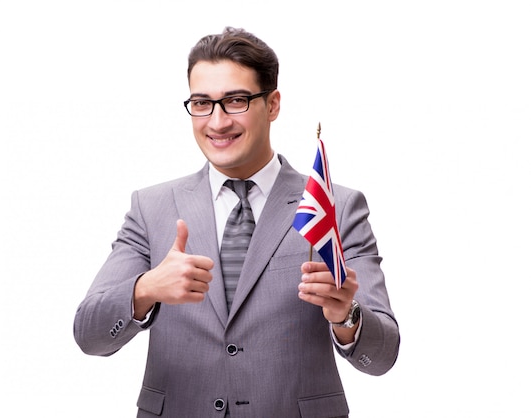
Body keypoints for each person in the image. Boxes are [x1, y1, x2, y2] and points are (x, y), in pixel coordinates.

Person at [74, 27, 400, 418]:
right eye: (202, 103)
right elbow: (89, 336)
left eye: (236, 101)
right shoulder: (151, 207)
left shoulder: (335, 207)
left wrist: (345, 316)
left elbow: (382, 357)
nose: (217, 121)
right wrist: (145, 290)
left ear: (273, 104)